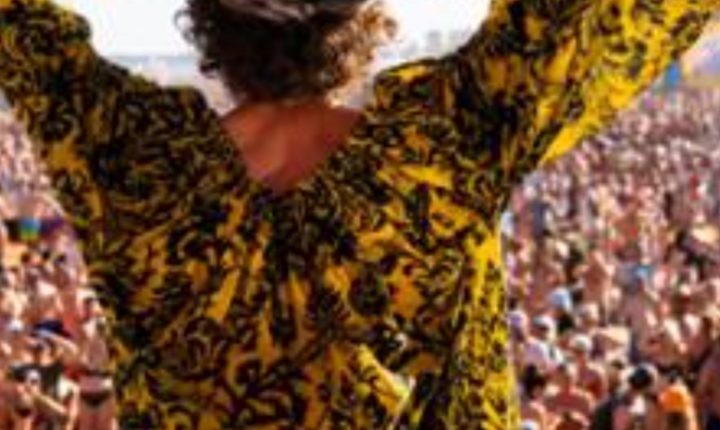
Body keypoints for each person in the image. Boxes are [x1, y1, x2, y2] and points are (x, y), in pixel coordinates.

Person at [1, 0, 718, 428]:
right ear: (363, 20)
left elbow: (22, 34)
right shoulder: (441, 149)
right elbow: (590, 21)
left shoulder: (134, 163)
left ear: (207, 20)